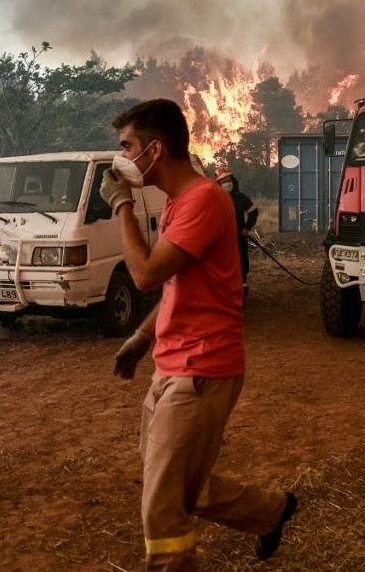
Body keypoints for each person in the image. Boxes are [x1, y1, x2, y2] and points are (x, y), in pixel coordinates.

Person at [99, 98, 297, 570]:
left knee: (161, 507)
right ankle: (270, 511)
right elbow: (176, 286)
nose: (120, 159)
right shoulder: (178, 204)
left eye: (126, 147)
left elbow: (145, 275)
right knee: (177, 481)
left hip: (202, 370)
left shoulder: (206, 200)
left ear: (154, 149)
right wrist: (143, 338)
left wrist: (122, 204)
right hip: (171, 366)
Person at [215, 165, 259, 297]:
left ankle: (242, 290)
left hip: (240, 238)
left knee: (241, 265)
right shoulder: (214, 198)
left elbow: (254, 212)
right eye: (224, 182)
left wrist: (247, 227)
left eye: (229, 180)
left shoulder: (240, 197)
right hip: (222, 241)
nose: (227, 183)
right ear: (218, 184)